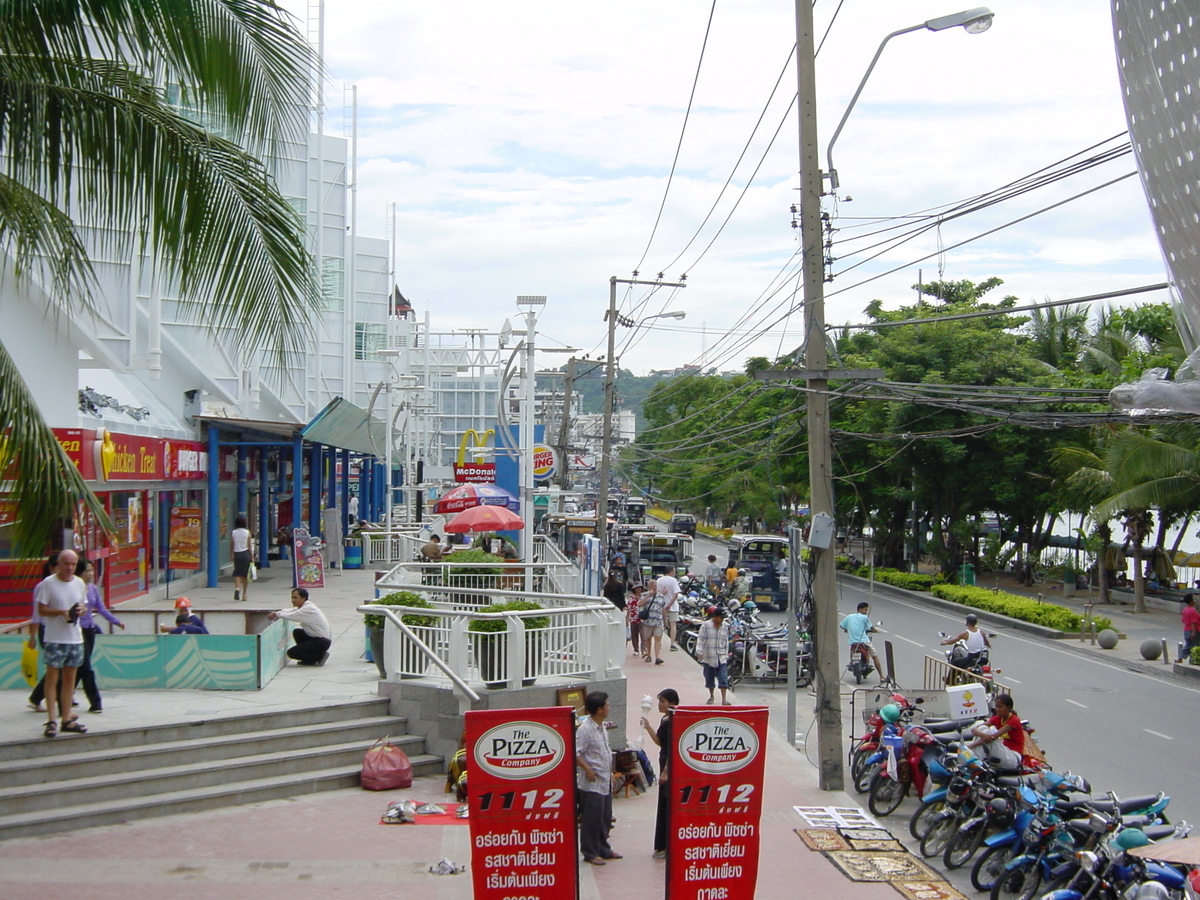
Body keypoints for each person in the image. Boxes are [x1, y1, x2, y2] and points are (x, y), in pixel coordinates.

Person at [34, 549, 87, 738]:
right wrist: (60, 612)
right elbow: (41, 610)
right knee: (52, 679)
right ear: (58, 564)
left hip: (75, 637)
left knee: (70, 680)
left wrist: (80, 610)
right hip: (55, 638)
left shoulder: (80, 583)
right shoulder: (47, 584)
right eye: (66, 564)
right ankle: (51, 720)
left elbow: (84, 605)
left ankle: (66, 718)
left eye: (73, 564)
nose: (70, 568)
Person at [575, 690, 620, 866]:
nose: (609, 708)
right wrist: (587, 768)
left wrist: (610, 774)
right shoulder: (585, 730)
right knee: (591, 819)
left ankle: (603, 848)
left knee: (605, 817)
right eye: (607, 705)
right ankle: (590, 851)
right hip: (592, 783)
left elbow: (605, 753)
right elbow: (575, 752)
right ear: (600, 709)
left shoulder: (602, 727)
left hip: (604, 781)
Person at [76, 559, 124, 713]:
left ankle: (48, 695)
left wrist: (116, 621)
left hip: (90, 630)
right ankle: (96, 702)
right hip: (77, 630)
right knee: (86, 668)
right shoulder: (74, 588)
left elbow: (101, 609)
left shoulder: (93, 589)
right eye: (87, 571)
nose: (90, 574)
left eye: (92, 570)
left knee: (80, 667)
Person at [639, 688, 679, 860]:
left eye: (662, 701)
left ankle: (667, 845)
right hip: (663, 760)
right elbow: (661, 743)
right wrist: (648, 728)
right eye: (659, 701)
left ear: (672, 703)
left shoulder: (675, 721)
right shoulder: (665, 719)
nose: (659, 705)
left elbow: (672, 749)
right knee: (662, 805)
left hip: (669, 768)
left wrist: (666, 772)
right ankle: (662, 845)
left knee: (667, 804)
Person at [268, 587, 332, 666]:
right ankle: (309, 660)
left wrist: (276, 614)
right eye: (292, 597)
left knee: (291, 653)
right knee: (297, 632)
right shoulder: (305, 606)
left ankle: (319, 656)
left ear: (303, 598)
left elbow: (293, 615)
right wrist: (279, 612)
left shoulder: (307, 609)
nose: (293, 600)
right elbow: (292, 610)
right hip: (317, 639)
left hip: (321, 642)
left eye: (295, 598)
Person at [968, 693, 1024, 769]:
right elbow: (974, 729)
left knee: (988, 733)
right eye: (996, 706)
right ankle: (973, 759)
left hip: (1013, 757)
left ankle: (973, 759)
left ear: (1008, 708)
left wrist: (971, 746)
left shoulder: (1014, 720)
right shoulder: (997, 718)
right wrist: (982, 734)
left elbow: (993, 737)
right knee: (982, 728)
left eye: (1000, 707)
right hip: (1003, 751)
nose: (997, 709)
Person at [839, 601, 883, 679]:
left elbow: (841, 625)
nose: (866, 612)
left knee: (852, 652)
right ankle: (881, 676)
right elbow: (871, 627)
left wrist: (847, 629)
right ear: (860, 609)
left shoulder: (849, 616)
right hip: (864, 641)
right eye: (865, 610)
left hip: (853, 642)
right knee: (875, 656)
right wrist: (876, 630)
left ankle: (852, 663)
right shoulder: (864, 617)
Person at [697, 608, 731, 705]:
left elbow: (725, 641)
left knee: (723, 678)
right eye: (721, 618)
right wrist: (699, 651)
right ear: (715, 617)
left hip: (721, 657)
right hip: (709, 657)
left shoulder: (724, 626)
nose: (722, 620)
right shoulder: (706, 625)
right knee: (709, 678)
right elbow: (701, 639)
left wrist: (726, 653)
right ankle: (711, 696)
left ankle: (724, 699)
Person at [641, 578, 665, 665]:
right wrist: (648, 596)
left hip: (658, 621)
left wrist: (665, 622)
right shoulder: (644, 595)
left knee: (658, 638)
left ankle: (657, 657)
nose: (654, 588)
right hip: (648, 621)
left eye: (655, 586)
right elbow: (640, 604)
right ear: (648, 587)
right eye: (652, 586)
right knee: (648, 639)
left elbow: (663, 609)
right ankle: (648, 655)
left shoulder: (661, 596)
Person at [658, 566, 681, 652]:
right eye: (674, 571)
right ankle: (672, 644)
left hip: (661, 605)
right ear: (671, 571)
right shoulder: (673, 580)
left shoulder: (659, 580)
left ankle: (658, 642)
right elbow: (676, 594)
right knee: (673, 625)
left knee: (660, 625)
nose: (675, 573)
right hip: (673, 606)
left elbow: (657, 592)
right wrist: (670, 604)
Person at [230, 514, 252, 602]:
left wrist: (231, 555)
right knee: (245, 575)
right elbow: (249, 545)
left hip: (237, 554)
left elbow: (232, 545)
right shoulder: (247, 532)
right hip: (245, 553)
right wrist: (252, 556)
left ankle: (237, 588)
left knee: (237, 572)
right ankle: (244, 594)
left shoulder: (233, 532)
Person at [1178, 594, 1200, 663]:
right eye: (1193, 599)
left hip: (1186, 630)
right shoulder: (1193, 611)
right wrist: (1194, 632)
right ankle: (1193, 660)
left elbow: (1183, 620)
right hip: (1193, 630)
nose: (1195, 601)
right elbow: (1194, 622)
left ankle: (1181, 657)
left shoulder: (1185, 610)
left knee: (1188, 645)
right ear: (1191, 602)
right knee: (1194, 646)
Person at [626, 585, 645, 657]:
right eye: (637, 588)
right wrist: (627, 618)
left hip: (642, 619)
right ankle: (636, 649)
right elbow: (628, 609)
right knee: (634, 635)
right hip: (633, 619)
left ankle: (643, 649)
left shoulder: (643, 597)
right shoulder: (631, 598)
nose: (638, 589)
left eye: (640, 588)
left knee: (643, 635)